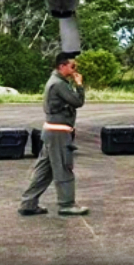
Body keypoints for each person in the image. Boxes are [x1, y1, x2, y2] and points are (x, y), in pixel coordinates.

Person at [18, 52, 89, 216]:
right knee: (64, 167)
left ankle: (28, 203)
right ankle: (66, 204)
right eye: (72, 66)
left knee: (44, 171)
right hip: (58, 133)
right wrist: (79, 85)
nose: (74, 70)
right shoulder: (59, 84)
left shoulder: (57, 81)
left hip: (52, 132)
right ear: (62, 66)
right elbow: (77, 102)